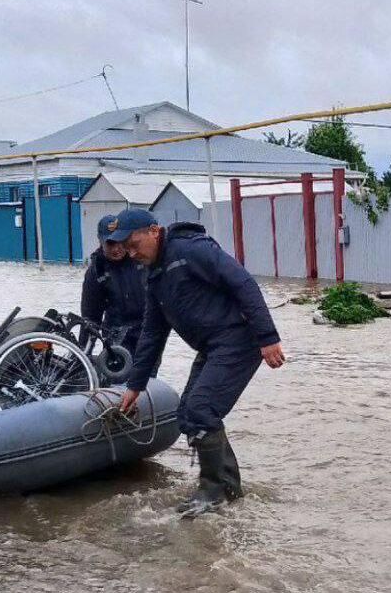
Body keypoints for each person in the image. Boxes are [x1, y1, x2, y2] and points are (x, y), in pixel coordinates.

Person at [109, 209, 285, 517]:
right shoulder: (155, 274)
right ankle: (227, 490)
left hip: (238, 341)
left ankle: (213, 493)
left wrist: (268, 338)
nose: (130, 252)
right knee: (189, 414)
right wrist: (135, 386)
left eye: (134, 243)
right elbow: (152, 333)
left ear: (153, 230)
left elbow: (244, 283)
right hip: (212, 347)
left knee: (203, 410)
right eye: (125, 247)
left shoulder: (190, 250)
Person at [81, 214, 147, 362]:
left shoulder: (142, 258)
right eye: (110, 244)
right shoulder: (96, 271)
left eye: (120, 242)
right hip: (116, 336)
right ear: (100, 241)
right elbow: (90, 318)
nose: (117, 249)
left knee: (147, 380)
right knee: (119, 381)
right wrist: (82, 354)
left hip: (147, 332)